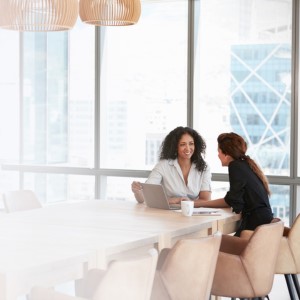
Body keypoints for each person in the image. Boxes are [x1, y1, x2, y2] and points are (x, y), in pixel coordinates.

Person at [197, 132, 274, 236]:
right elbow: (232, 199)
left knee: (216, 242)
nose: (218, 155)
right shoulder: (245, 164)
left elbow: (233, 201)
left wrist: (198, 204)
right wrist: (199, 204)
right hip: (263, 221)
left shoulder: (235, 166)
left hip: (255, 224)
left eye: (219, 151)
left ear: (226, 154)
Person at [131, 126, 212, 205]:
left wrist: (187, 203)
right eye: (182, 144)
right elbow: (145, 198)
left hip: (193, 214)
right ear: (175, 147)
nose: (188, 148)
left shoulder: (204, 167)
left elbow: (205, 200)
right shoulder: (163, 165)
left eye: (191, 144)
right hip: (167, 215)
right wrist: (137, 191)